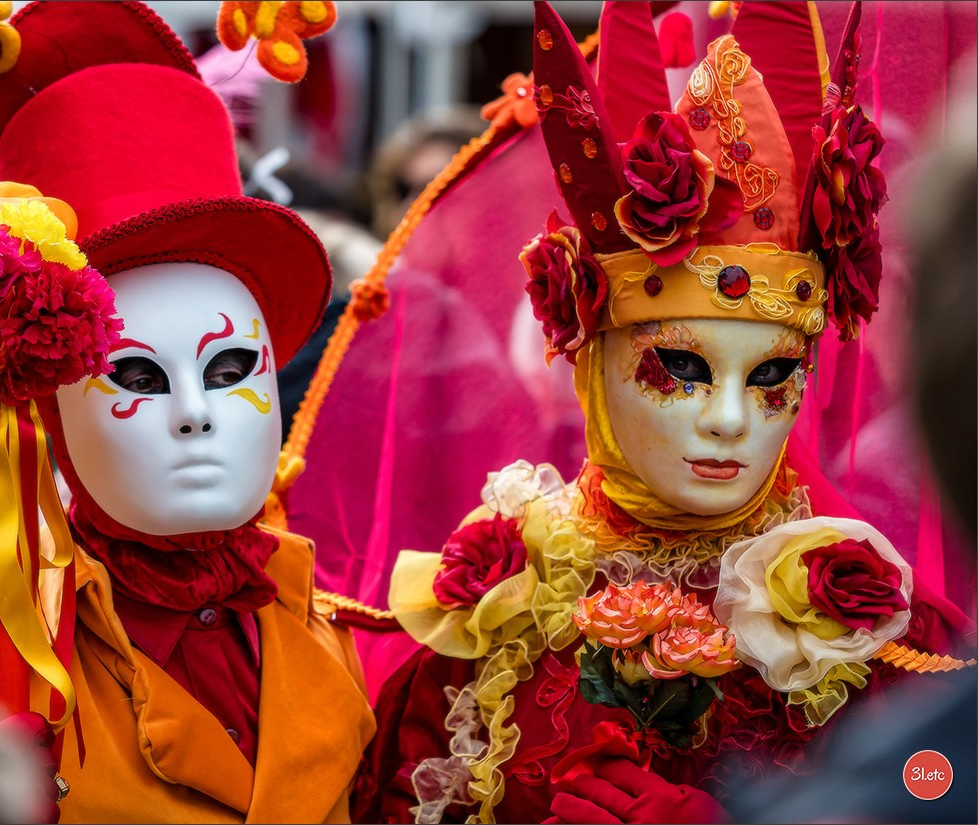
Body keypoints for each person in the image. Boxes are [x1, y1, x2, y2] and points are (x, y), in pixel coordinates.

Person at [358, 3, 974, 823]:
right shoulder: (499, 608)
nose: (728, 419)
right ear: (590, 360)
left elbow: (931, 786)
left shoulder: (881, 627)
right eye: (680, 367)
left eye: (772, 375)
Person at [0, 1, 372, 822]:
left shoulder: (339, 631)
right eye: (137, 373)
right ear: (49, 410)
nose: (193, 413)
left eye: (228, 367)